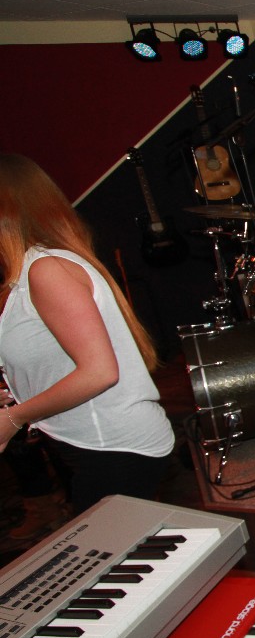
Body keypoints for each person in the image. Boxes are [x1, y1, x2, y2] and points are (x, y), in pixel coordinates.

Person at [0, 153, 175, 515]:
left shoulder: (47, 269)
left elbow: (99, 372)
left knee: (105, 548)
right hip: (95, 445)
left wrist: (14, 419)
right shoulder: (33, 270)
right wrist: (17, 392)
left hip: (115, 447)